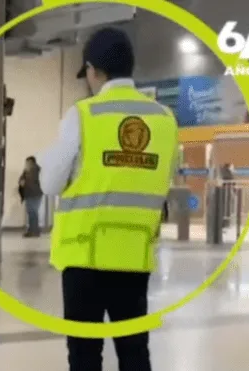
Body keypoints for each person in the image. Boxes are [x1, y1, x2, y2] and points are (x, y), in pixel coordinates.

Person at [37, 27, 178, 371]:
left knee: (85, 355)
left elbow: (50, 183)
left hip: (84, 259)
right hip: (134, 258)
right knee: (134, 352)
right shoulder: (164, 120)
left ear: (93, 70)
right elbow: (165, 178)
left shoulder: (83, 115)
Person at [18, 156, 43, 237]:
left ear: (32, 162)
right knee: (31, 213)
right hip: (29, 194)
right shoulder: (26, 171)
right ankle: (31, 230)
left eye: (27, 162)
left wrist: (24, 182)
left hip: (35, 194)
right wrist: (21, 181)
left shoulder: (37, 170)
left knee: (33, 213)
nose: (26, 164)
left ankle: (35, 231)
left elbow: (36, 182)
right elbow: (21, 179)